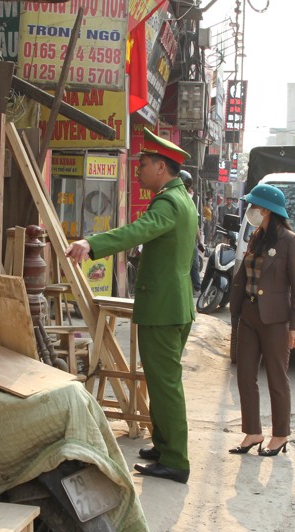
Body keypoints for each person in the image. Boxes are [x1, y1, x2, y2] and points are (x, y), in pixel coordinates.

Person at [65, 129, 198, 484]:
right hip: (172, 305)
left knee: (166, 384)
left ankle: (176, 460)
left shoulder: (168, 203)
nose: (138, 171)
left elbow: (137, 232)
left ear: (159, 167)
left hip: (165, 308)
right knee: (159, 380)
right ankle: (164, 444)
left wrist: (91, 244)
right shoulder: (181, 198)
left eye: (142, 164)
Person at [228, 184, 295, 457]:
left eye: (254, 207)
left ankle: (280, 434)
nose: (251, 211)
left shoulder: (290, 241)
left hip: (275, 320)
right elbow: (244, 276)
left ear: (266, 210)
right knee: (245, 375)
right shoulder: (256, 237)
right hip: (249, 316)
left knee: (276, 378)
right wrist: (234, 309)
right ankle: (253, 432)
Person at [179, 169, 206, 292]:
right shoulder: (175, 200)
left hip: (190, 240)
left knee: (194, 264)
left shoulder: (189, 203)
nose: (191, 191)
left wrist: (199, 240)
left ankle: (196, 287)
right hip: (181, 240)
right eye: (188, 188)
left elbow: (195, 225)